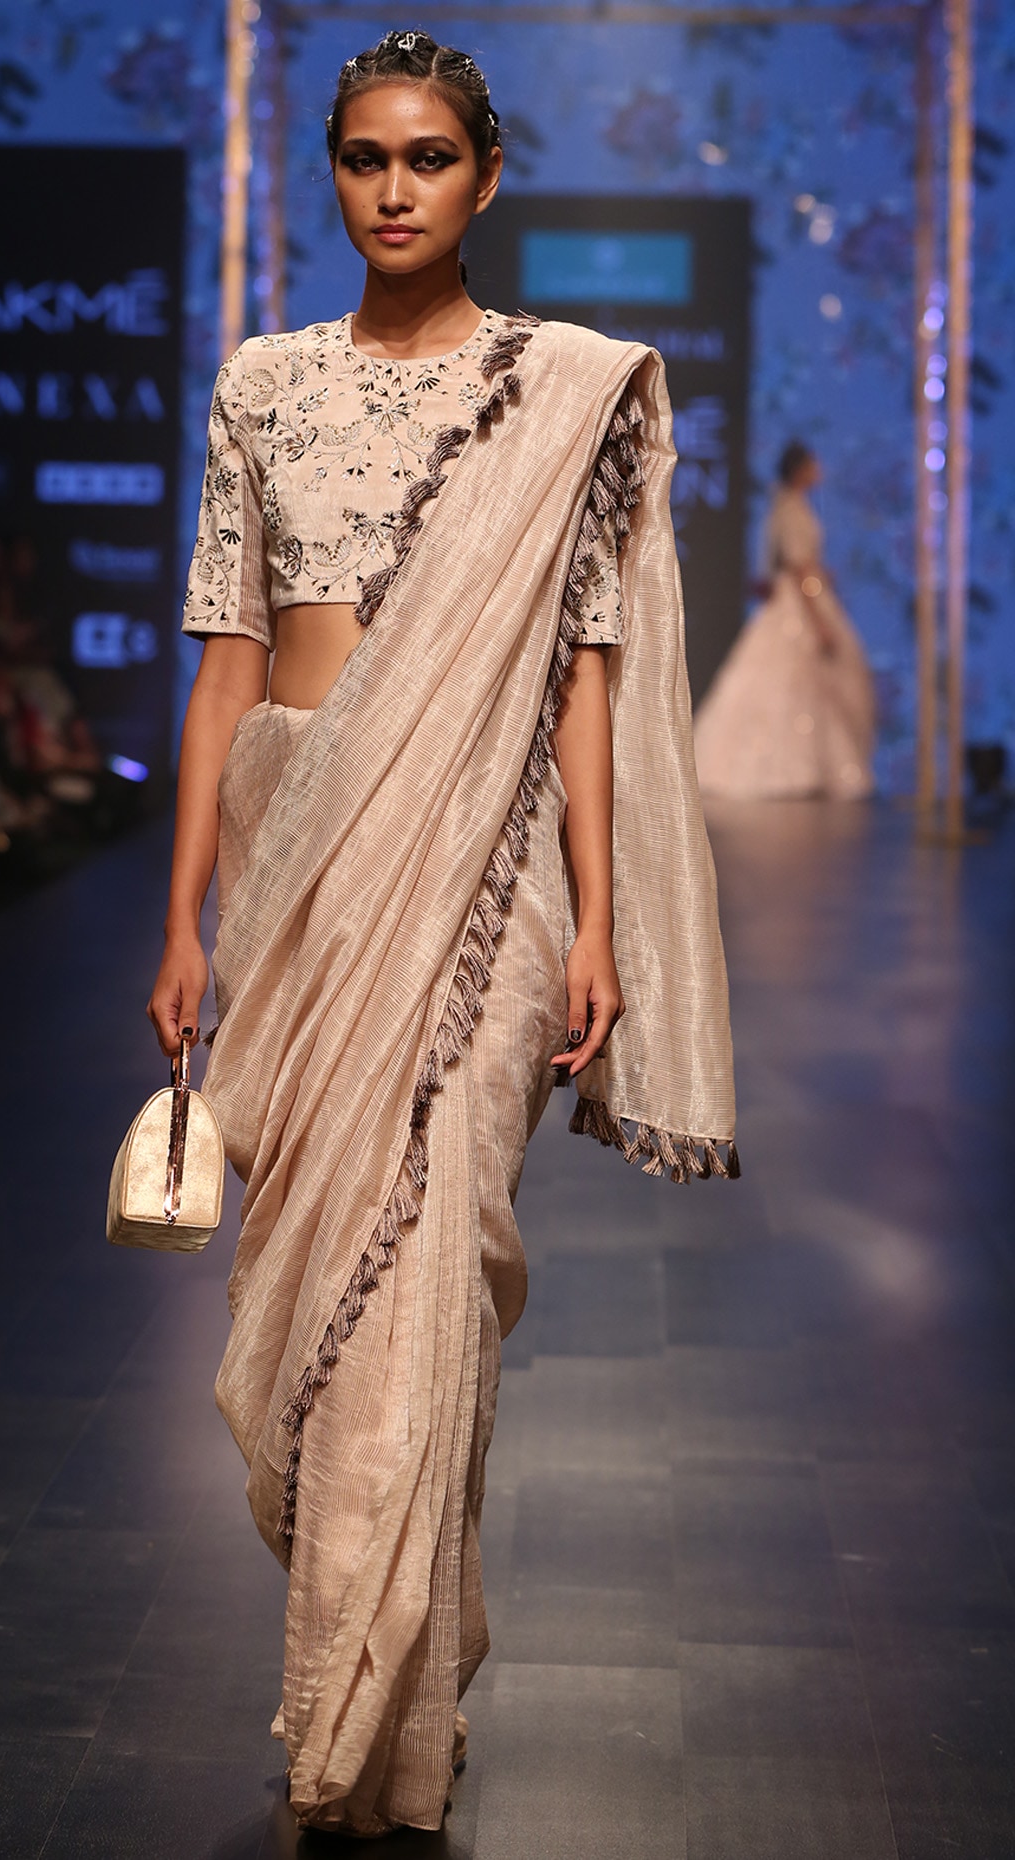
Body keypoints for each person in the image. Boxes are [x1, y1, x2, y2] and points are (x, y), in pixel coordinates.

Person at [147, 29, 737, 1838]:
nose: (393, 189)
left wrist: (604, 921)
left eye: (427, 158)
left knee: (427, 1271)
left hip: (487, 865)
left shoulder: (560, 391)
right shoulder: (263, 382)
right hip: (299, 866)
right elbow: (228, 658)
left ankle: (359, 1733)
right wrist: (182, 918)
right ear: (333, 173)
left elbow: (584, 676)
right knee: (327, 1268)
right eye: (364, 158)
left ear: (487, 177)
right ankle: (394, 1672)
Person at [693, 442, 875, 799]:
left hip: (803, 593)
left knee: (810, 685)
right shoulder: (790, 509)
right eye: (813, 462)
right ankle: (791, 769)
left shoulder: (791, 505)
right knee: (792, 678)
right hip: (799, 600)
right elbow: (796, 567)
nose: (819, 468)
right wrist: (818, 616)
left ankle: (812, 767)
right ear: (800, 469)